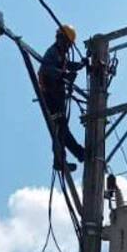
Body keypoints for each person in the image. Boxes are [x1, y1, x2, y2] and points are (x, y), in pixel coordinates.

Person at [38, 24, 86, 171]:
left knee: (62, 128)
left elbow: (67, 65)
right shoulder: (52, 52)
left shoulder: (61, 54)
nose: (68, 47)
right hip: (50, 96)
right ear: (61, 39)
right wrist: (63, 75)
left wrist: (80, 65)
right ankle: (61, 160)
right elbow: (46, 69)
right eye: (68, 43)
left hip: (57, 96)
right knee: (59, 129)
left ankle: (78, 153)